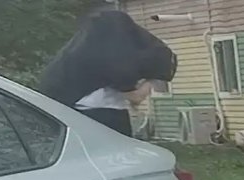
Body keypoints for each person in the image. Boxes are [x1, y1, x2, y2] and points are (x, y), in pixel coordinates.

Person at [38, 1, 177, 136]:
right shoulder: (118, 62)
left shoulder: (76, 54)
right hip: (104, 114)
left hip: (67, 112)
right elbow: (136, 97)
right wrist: (151, 81)